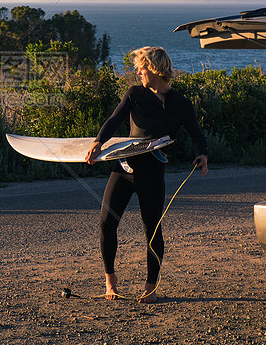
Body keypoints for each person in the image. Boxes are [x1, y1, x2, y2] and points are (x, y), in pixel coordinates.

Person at [85, 46, 208, 303]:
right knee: (107, 223)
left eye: (142, 67)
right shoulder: (135, 94)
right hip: (124, 167)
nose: (138, 71)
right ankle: (110, 281)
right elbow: (114, 119)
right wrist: (98, 142)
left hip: (152, 172)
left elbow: (197, 134)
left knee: (152, 229)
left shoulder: (181, 104)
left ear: (154, 69)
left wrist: (203, 154)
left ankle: (150, 287)